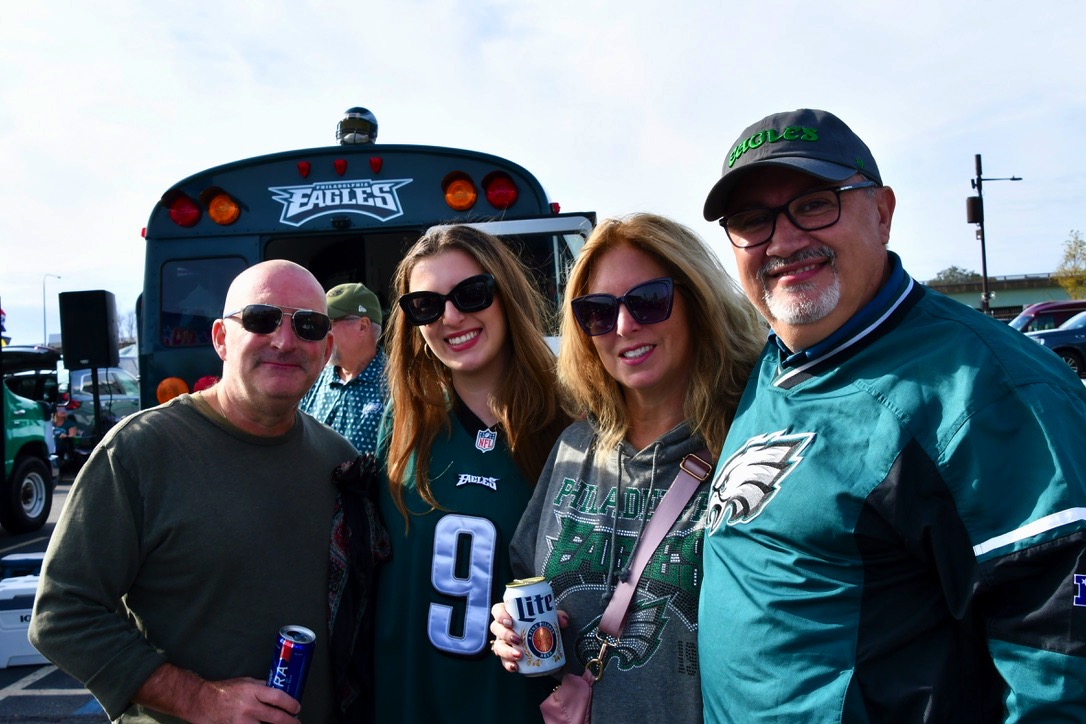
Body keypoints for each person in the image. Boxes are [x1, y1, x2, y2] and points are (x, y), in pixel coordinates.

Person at [698, 108, 1086, 722]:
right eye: (752, 220)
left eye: (815, 204)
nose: (785, 241)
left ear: (882, 213)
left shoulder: (986, 390)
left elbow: (1062, 663)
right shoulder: (776, 361)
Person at [30, 260, 359, 723]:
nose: (285, 341)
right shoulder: (139, 452)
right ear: (222, 338)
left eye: (308, 325)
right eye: (261, 319)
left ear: (325, 350)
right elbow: (62, 612)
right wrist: (199, 698)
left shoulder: (338, 460)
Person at [491, 213, 766, 722]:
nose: (623, 326)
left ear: (698, 302)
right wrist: (513, 633)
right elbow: (531, 582)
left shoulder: (748, 447)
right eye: (598, 312)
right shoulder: (575, 447)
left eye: (648, 300)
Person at [373, 225, 572, 723]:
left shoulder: (571, 424)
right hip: (407, 705)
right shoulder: (402, 426)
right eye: (426, 305)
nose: (451, 317)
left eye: (472, 293)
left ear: (506, 295)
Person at [301, 281, 388, 454]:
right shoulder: (314, 378)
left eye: (328, 324)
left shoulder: (398, 384)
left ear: (363, 326)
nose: (320, 333)